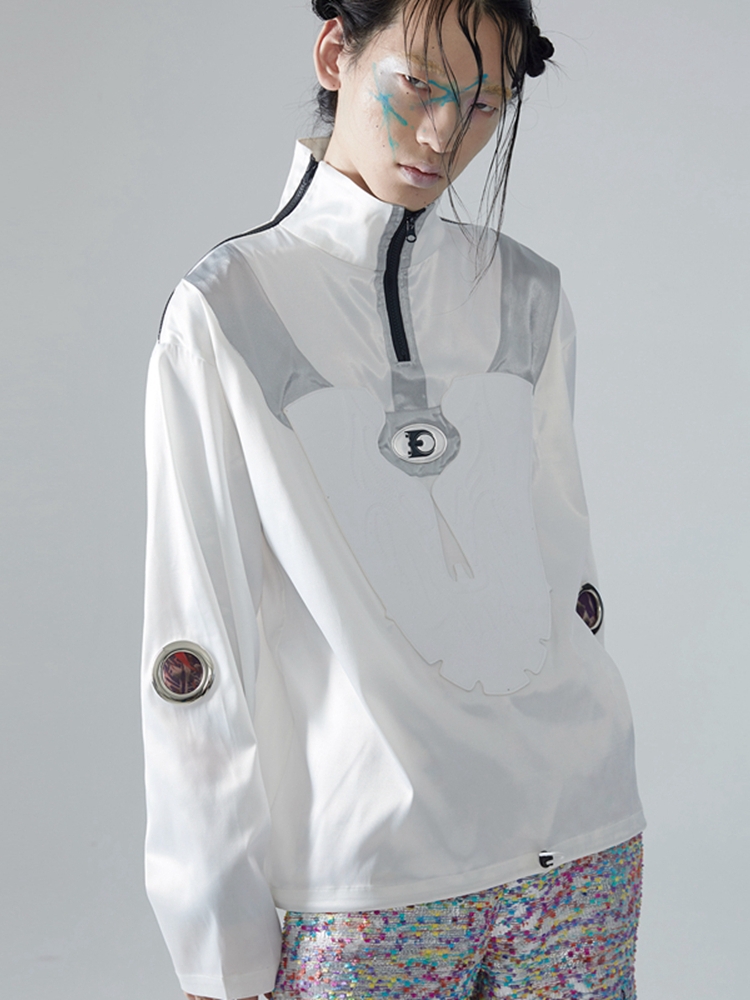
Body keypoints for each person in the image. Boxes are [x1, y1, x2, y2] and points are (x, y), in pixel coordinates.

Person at [141, 1, 646, 998]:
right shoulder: (227, 309)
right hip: (371, 883)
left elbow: (563, 576)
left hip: (582, 853)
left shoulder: (527, 295)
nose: (444, 134)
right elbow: (196, 648)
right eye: (419, 84)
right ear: (337, 52)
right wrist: (218, 950)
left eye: (485, 105)